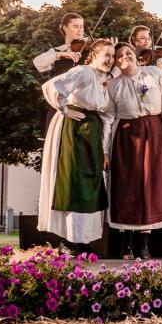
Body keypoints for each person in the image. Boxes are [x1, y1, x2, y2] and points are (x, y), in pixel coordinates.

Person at [102, 43, 162, 259]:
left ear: (136, 55)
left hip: (155, 133)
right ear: (115, 61)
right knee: (126, 187)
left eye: (128, 53)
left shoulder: (154, 74)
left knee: (151, 185)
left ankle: (144, 244)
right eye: (119, 55)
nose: (124, 57)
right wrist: (104, 150)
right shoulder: (114, 85)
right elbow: (107, 118)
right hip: (126, 137)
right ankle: (126, 243)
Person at [37, 39, 114, 251]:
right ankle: (72, 240)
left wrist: (104, 147)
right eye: (106, 55)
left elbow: (105, 112)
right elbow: (52, 86)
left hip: (91, 132)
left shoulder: (102, 78)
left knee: (90, 183)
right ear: (94, 55)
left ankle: (83, 239)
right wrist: (65, 109)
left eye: (113, 56)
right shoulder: (84, 71)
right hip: (74, 130)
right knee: (74, 182)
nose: (111, 60)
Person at [33, 12, 87, 76]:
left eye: (81, 27)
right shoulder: (58, 50)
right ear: (65, 28)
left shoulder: (88, 47)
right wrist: (60, 54)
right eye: (75, 26)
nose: (80, 30)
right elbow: (37, 63)